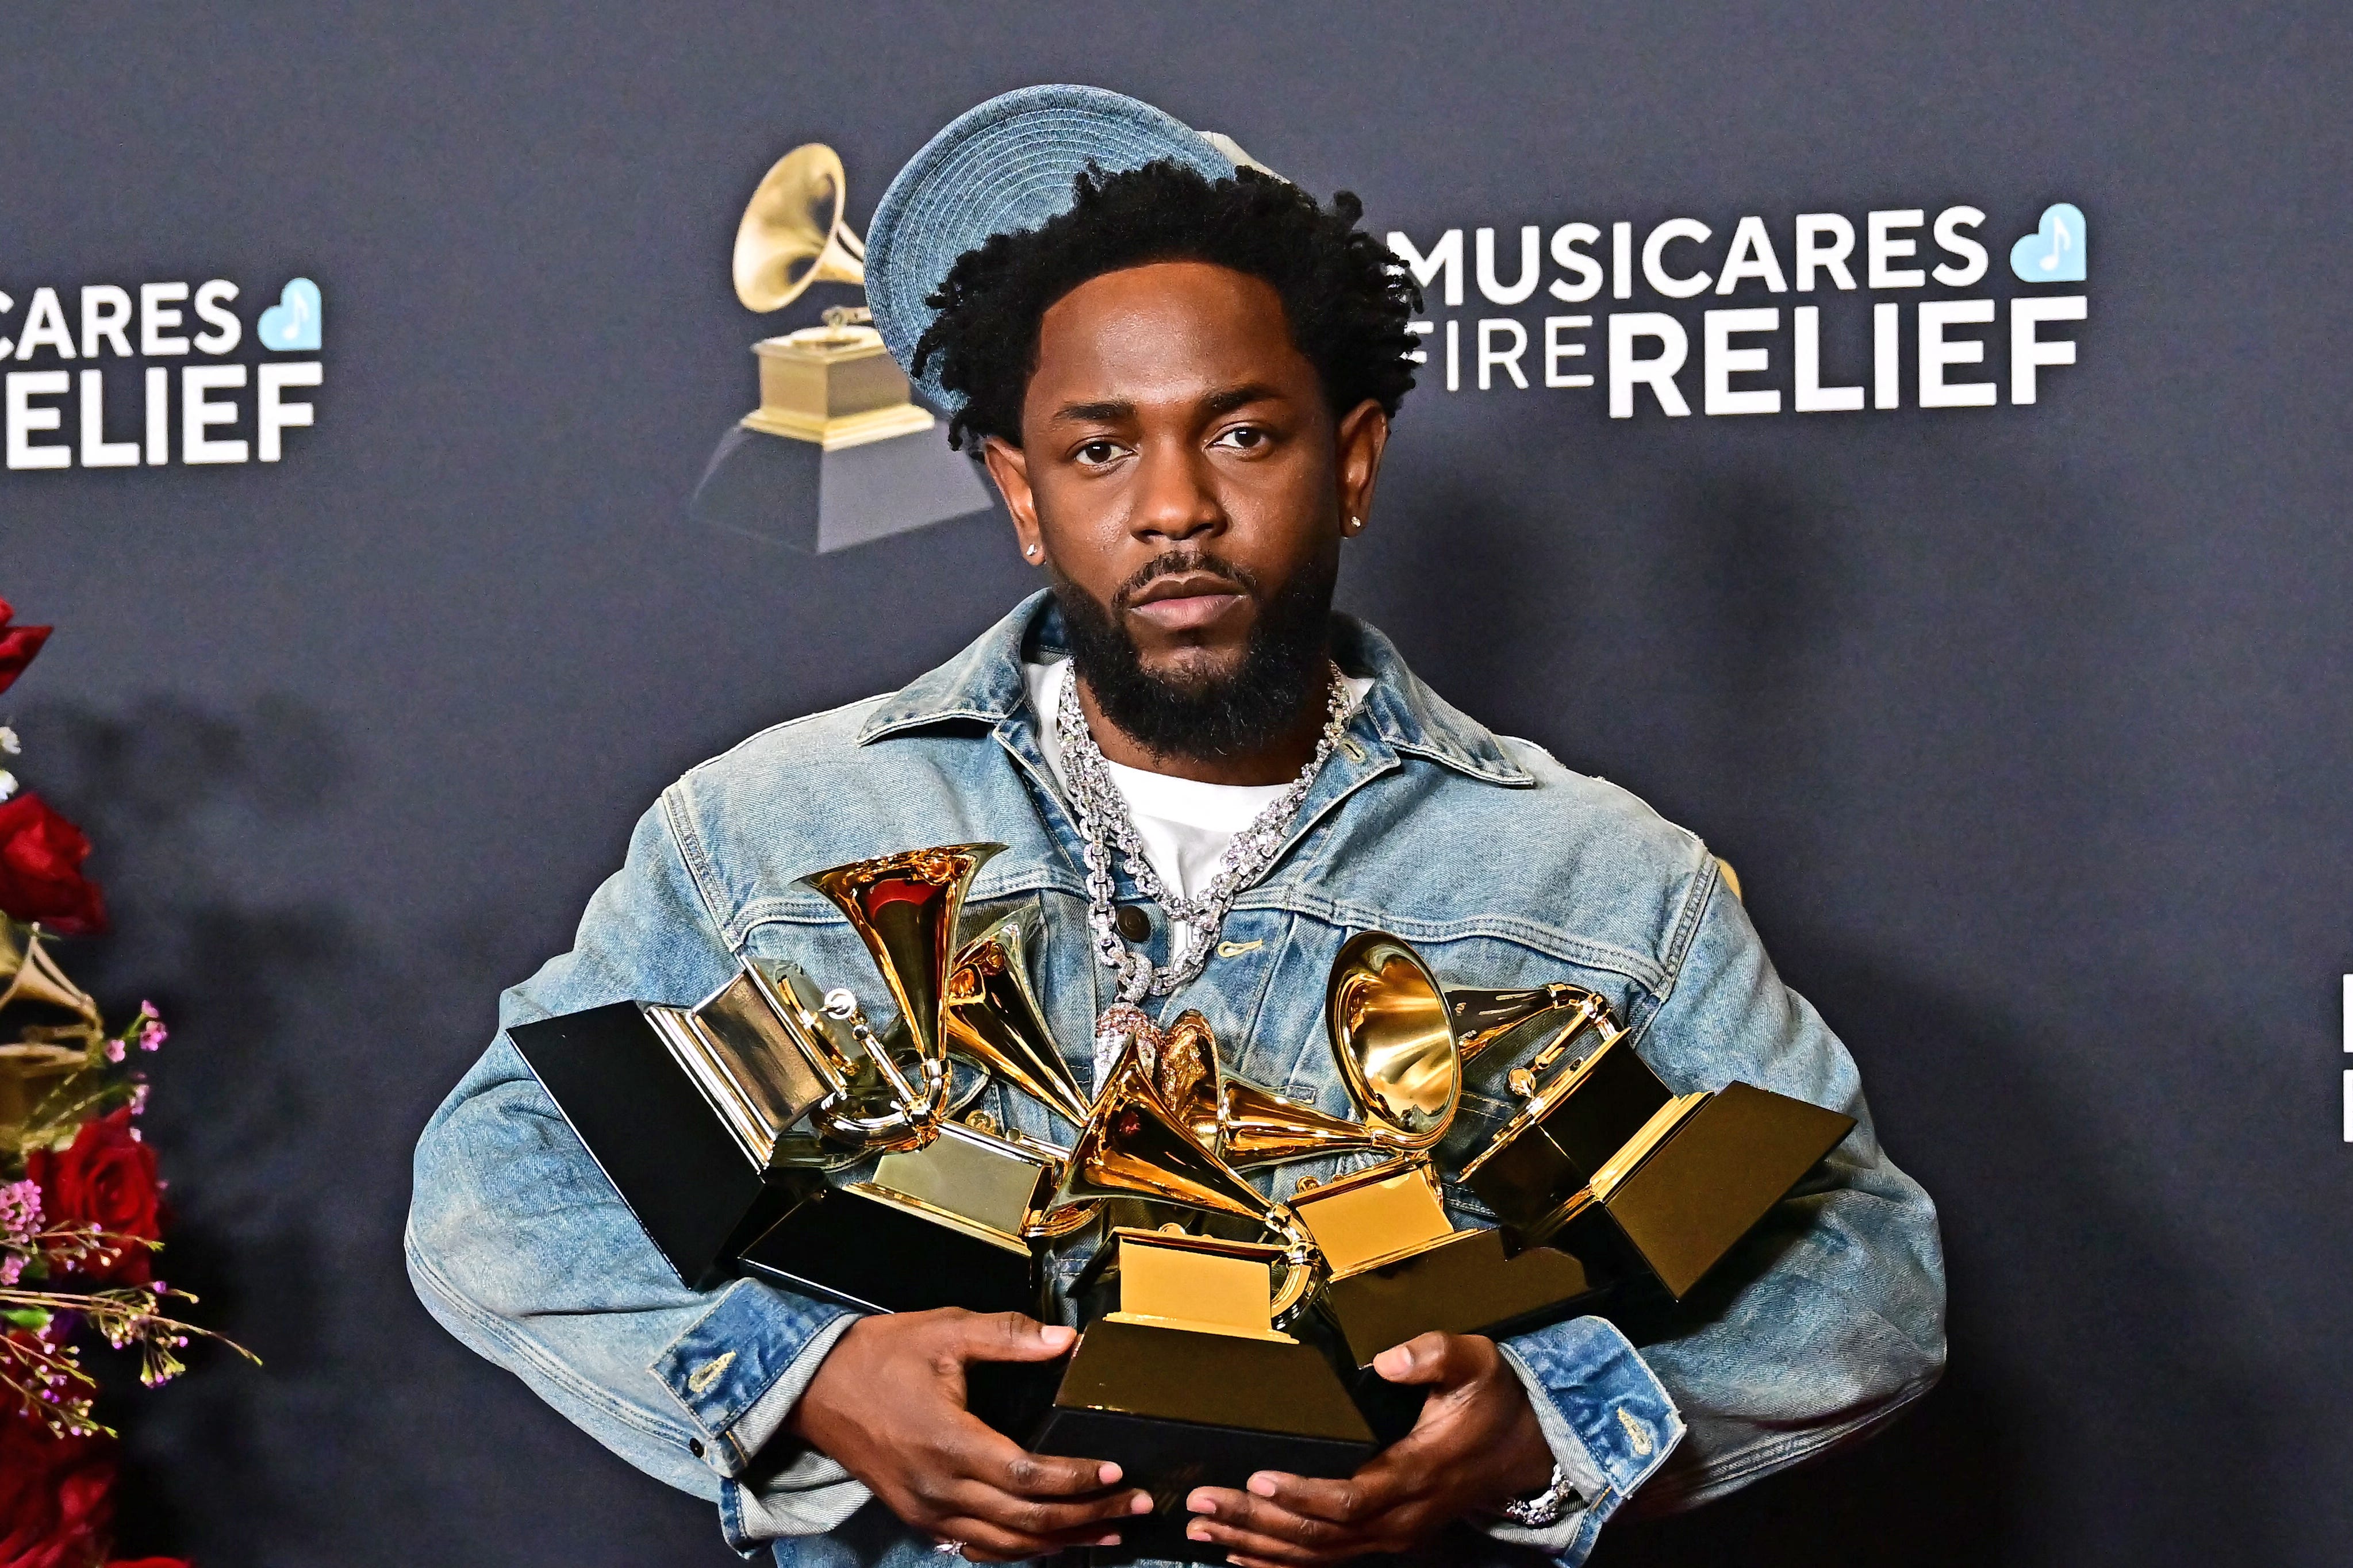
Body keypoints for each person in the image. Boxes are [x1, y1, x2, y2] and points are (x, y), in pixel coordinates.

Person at [406, 84, 1945, 1568]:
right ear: (1020, 494)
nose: (1173, 510)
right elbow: (499, 1173)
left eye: (1242, 436)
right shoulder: (769, 826)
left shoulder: (1605, 879)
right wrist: (806, 1381)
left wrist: (1540, 1438)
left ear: (1350, 461)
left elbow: (1864, 1284)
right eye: (1097, 448)